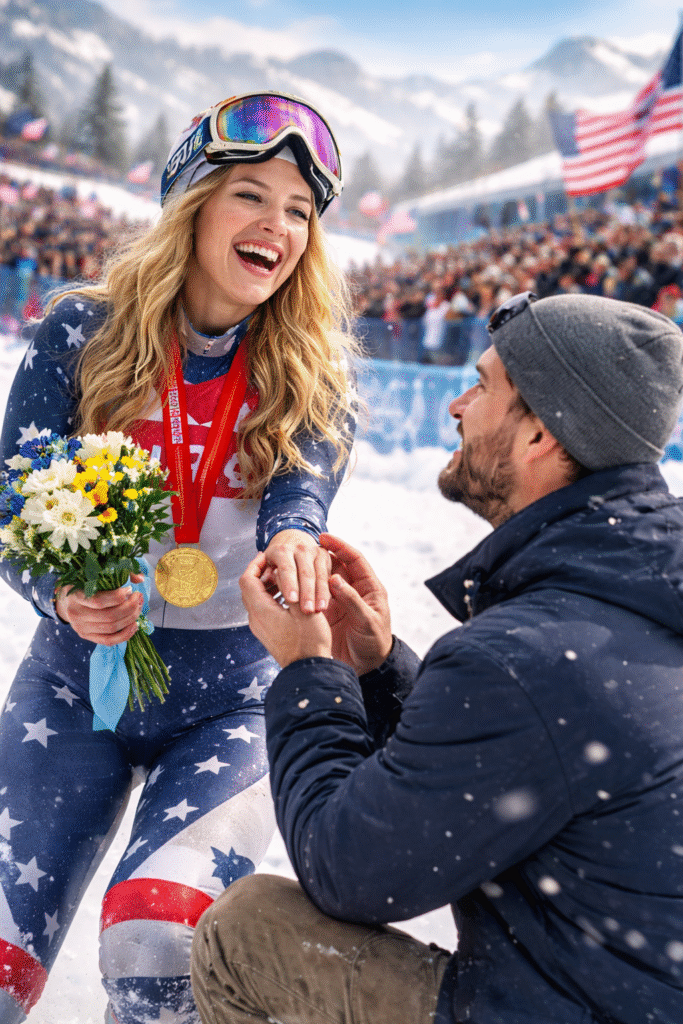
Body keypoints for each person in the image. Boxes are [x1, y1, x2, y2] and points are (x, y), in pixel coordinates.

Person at [192, 292, 683, 1024]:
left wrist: (307, 673)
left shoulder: (527, 656)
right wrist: (378, 669)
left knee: (248, 930)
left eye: (482, 386)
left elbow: (346, 869)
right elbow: (514, 756)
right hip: (622, 996)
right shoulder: (634, 593)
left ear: (540, 435)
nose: (457, 405)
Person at [0, 91, 356, 1024]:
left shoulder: (314, 366)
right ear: (191, 204)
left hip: (229, 706)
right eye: (250, 194)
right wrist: (62, 592)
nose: (275, 225)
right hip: (77, 686)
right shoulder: (81, 331)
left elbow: (299, 498)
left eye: (298, 210)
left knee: (158, 939)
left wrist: (291, 542)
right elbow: (12, 500)